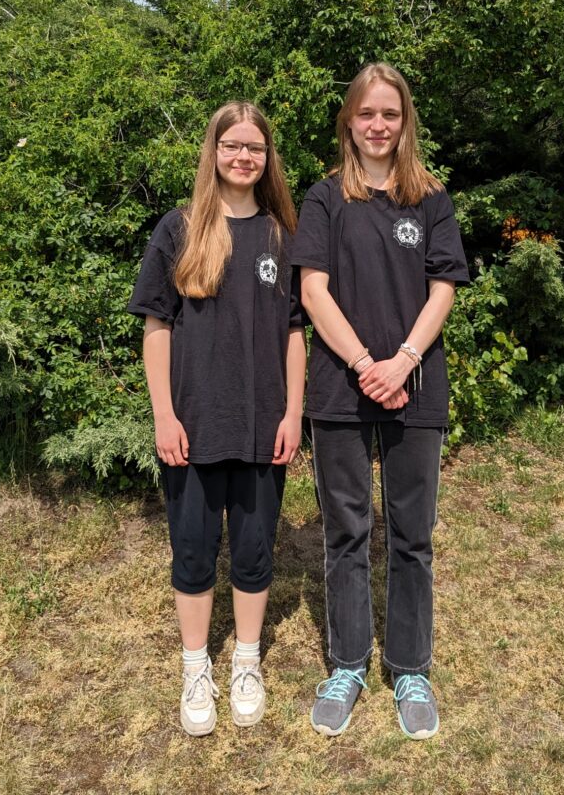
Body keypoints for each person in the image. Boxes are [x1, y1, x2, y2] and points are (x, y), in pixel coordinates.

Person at [292, 63, 469, 740]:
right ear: (349, 121)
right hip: (341, 390)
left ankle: (410, 668)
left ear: (404, 122)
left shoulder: (432, 201)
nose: (377, 124)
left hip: (415, 388)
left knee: (411, 536)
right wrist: (367, 363)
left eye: (389, 113)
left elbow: (443, 290)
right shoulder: (324, 199)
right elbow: (312, 291)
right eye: (367, 113)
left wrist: (403, 362)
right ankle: (346, 664)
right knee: (346, 534)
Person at [128, 102, 306, 736]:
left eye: (254, 147)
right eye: (232, 145)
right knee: (195, 552)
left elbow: (293, 334)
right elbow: (156, 329)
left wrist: (293, 412)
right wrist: (164, 415)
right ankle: (195, 666)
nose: (242, 156)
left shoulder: (284, 235)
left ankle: (248, 662)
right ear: (214, 151)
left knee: (256, 553)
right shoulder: (178, 230)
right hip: (194, 424)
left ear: (266, 157)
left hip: (264, 427)